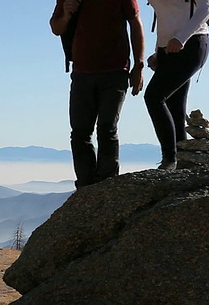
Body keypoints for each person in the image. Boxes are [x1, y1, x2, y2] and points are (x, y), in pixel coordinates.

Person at [50, 0, 145, 188]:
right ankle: (86, 186)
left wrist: (138, 66)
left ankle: (107, 184)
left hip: (115, 71)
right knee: (80, 132)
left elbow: (135, 23)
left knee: (107, 127)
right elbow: (56, 28)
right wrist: (67, 15)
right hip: (81, 73)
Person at [144, 0, 209, 170]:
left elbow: (206, 8)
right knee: (174, 105)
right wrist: (158, 52)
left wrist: (181, 38)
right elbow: (165, 17)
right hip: (168, 47)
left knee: (154, 97)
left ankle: (170, 158)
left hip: (192, 43)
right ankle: (182, 160)